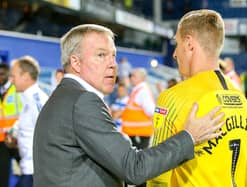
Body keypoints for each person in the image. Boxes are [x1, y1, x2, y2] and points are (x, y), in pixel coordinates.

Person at [33, 24, 224, 187]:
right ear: (75, 62)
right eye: (101, 55)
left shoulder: (65, 96)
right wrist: (189, 137)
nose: (113, 64)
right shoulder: (82, 101)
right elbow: (134, 167)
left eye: (113, 56)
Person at [147, 9, 247, 187]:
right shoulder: (242, 99)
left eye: (177, 43)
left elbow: (158, 177)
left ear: (189, 44)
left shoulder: (173, 98)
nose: (174, 54)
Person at [8, 56, 49, 187]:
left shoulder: (37, 101)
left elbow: (48, 135)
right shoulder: (27, 100)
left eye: (13, 76)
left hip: (35, 173)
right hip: (27, 170)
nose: (11, 81)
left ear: (25, 76)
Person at [0, 62, 22, 187]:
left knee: (29, 171)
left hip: (17, 140)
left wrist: (16, 134)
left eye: (2, 74)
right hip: (2, 142)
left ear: (8, 75)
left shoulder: (17, 90)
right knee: (2, 176)